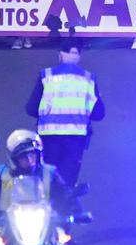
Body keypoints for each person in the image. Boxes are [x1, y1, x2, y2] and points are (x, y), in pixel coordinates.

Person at [25, 43, 103, 184]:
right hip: (76, 139)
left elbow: (31, 108)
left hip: (48, 138)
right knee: (67, 183)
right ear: (79, 56)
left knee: (47, 180)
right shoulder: (89, 79)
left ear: (60, 55)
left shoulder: (46, 76)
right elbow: (99, 114)